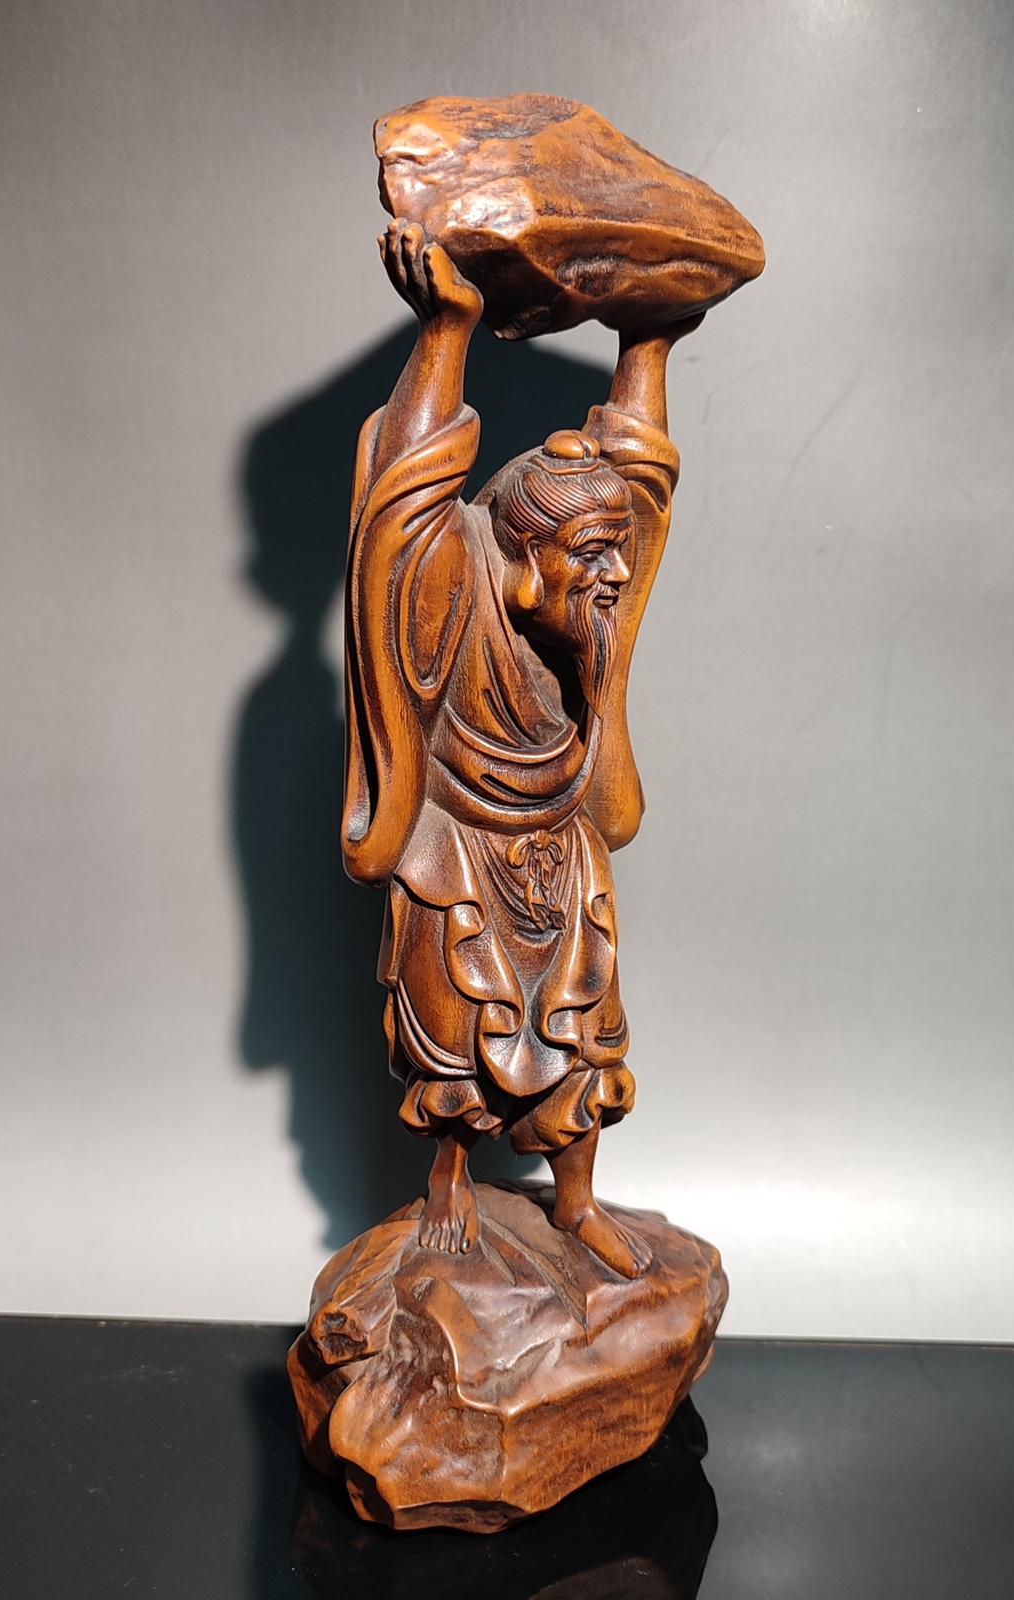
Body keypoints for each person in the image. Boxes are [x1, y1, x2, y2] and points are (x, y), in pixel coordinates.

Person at [342, 220, 699, 1278]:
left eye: (613, 560)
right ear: (525, 551)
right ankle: (448, 1178)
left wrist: (650, 338)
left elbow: (642, 488)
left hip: (559, 831)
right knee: (454, 1025)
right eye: (588, 557)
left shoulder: (591, 621)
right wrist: (445, 329)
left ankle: (574, 1198)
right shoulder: (455, 570)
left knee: (584, 1025)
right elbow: (402, 495)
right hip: (456, 838)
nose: (611, 578)